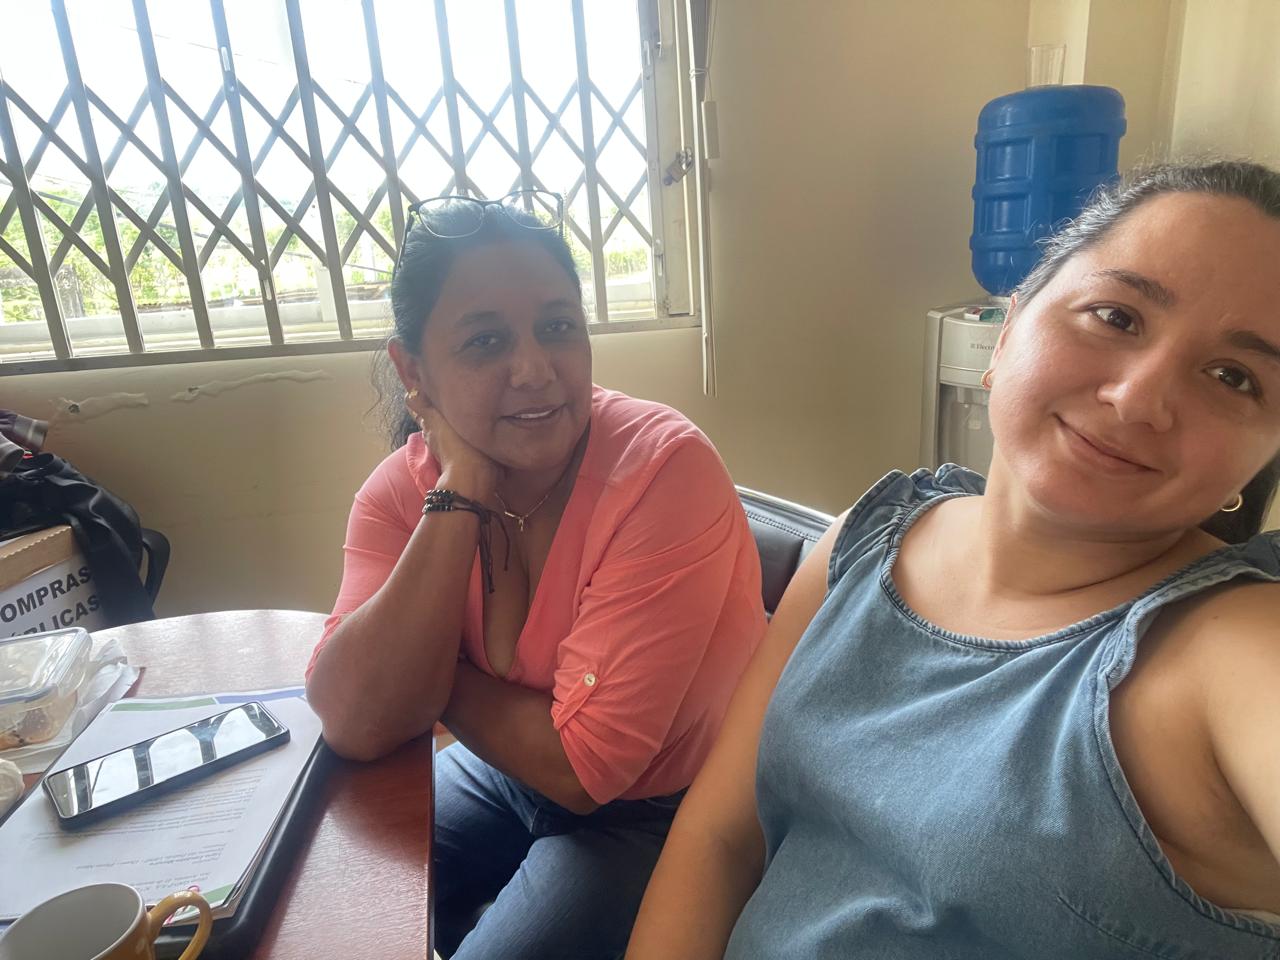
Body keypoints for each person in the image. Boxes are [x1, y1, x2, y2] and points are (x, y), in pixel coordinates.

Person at [625, 160, 1280, 960]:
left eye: (1234, 377)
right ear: (1006, 334)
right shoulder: (866, 540)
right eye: (1117, 316)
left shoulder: (1233, 646)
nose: (1139, 397)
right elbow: (722, 835)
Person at [304, 191, 765, 960]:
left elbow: (586, 768)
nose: (535, 370)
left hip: (669, 808)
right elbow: (353, 718)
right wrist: (460, 492)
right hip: (501, 776)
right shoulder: (402, 491)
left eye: (557, 328)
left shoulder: (662, 470)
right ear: (413, 371)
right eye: (485, 341)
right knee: (329, 908)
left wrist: (427, 673)